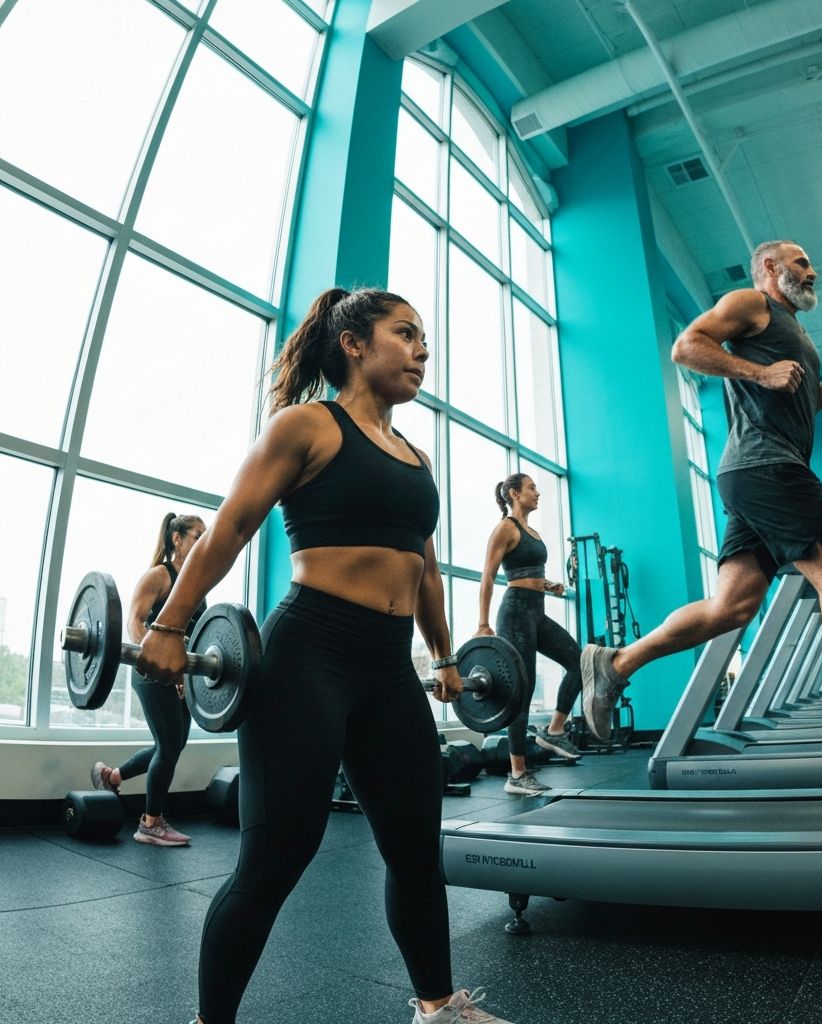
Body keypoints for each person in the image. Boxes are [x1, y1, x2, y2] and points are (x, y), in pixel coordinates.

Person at [136, 288, 513, 1024]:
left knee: (416, 852)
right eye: (405, 333)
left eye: (424, 338)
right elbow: (230, 527)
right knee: (273, 861)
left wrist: (442, 657)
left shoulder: (417, 458)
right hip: (308, 655)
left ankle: (437, 1007)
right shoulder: (308, 426)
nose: (422, 350)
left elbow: (426, 571)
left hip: (388, 669)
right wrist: (172, 624)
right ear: (353, 343)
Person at [580, 240, 822, 782]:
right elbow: (686, 347)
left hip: (754, 470)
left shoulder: (794, 331)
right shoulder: (750, 303)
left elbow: (798, 404)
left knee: (730, 608)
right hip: (768, 467)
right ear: (769, 266)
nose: (813, 270)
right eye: (802, 262)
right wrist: (760, 374)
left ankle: (615, 663)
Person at [90, 512, 207, 847]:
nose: (204, 541)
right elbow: (134, 622)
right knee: (169, 747)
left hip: (181, 677)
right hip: (151, 672)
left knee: (171, 746)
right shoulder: (159, 575)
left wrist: (185, 674)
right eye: (198, 535)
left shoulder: (195, 583)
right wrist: (158, 664)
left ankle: (112, 776)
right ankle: (151, 823)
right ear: (177, 539)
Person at [476, 473, 582, 796]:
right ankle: (517, 773)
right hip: (515, 613)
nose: (538, 493)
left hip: (536, 612)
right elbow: (488, 576)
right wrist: (483, 624)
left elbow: (528, 574)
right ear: (514, 493)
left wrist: (549, 585)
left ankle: (555, 729)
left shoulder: (532, 532)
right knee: (522, 688)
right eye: (532, 488)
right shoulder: (506, 529)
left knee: (578, 662)